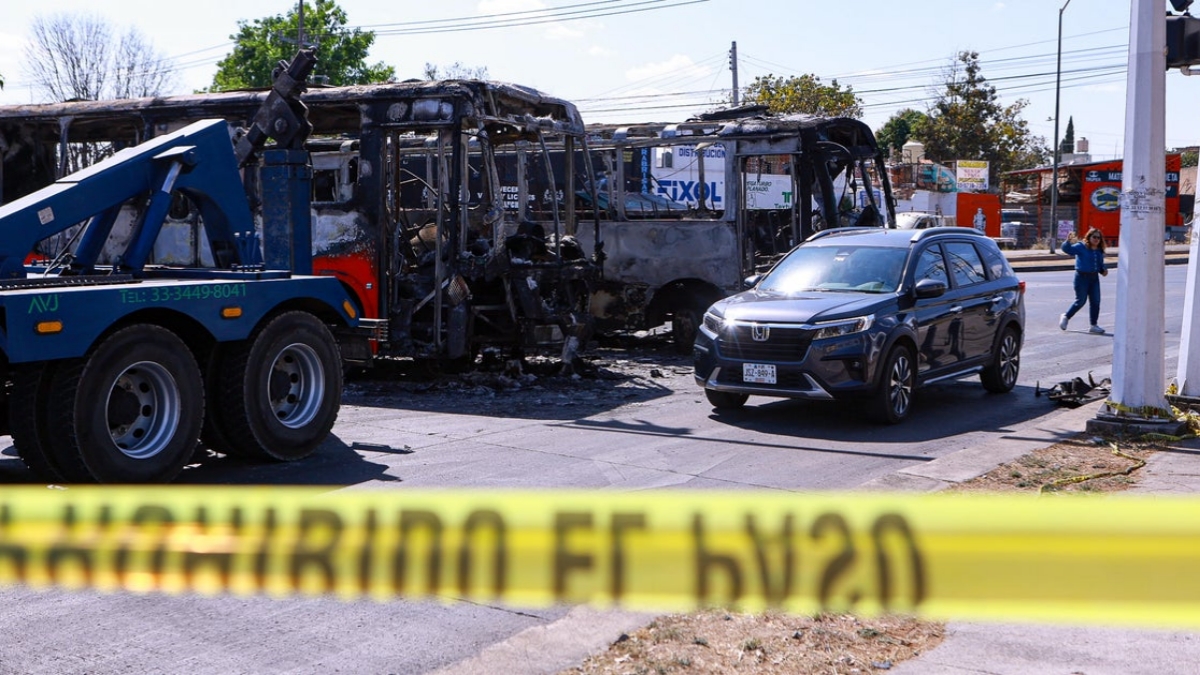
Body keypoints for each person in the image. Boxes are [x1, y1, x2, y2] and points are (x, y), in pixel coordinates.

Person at [1059, 227, 1108, 334]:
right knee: (1081, 301)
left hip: (1094, 278)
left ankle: (1093, 325)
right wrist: (1067, 242)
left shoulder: (1099, 251)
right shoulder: (1081, 246)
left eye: (1098, 238)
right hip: (1081, 277)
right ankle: (1066, 317)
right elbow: (1068, 250)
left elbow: (1100, 265)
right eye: (1094, 237)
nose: (1096, 239)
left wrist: (1103, 270)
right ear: (1089, 237)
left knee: (1096, 301)